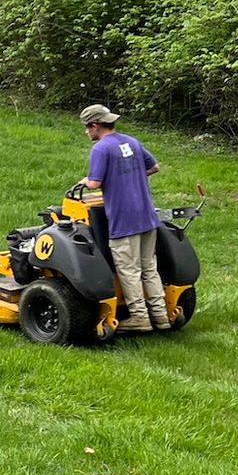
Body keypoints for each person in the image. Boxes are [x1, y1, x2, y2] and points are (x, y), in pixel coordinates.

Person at [79, 103, 168, 334]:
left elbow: (95, 183)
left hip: (124, 220)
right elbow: (154, 167)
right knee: (149, 267)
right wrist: (130, 176)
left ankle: (140, 317)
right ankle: (161, 315)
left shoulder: (101, 149)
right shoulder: (132, 141)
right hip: (147, 216)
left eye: (87, 128)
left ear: (95, 125)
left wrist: (84, 182)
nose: (86, 132)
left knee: (129, 270)